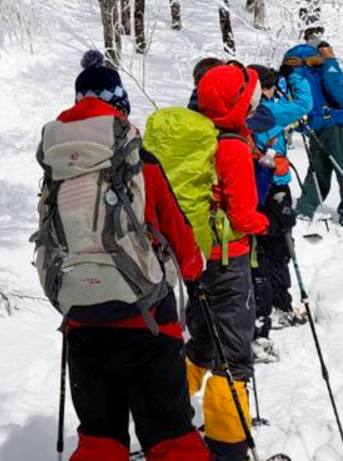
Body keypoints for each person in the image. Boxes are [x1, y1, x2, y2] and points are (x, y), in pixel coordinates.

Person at [53, 52, 212, 461]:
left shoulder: (57, 167)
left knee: (100, 440)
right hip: (148, 322)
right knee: (171, 438)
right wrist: (194, 270)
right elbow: (179, 234)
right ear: (120, 107)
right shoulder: (140, 161)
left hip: (82, 319)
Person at [184, 62, 295, 461]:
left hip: (193, 257)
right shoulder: (230, 145)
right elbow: (244, 216)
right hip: (227, 261)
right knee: (234, 353)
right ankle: (229, 447)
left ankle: (174, 418)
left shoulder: (197, 136)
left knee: (198, 341)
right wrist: (272, 222)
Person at [247, 65, 312, 346]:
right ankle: (280, 305)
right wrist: (295, 74)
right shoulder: (269, 112)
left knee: (257, 248)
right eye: (271, 85)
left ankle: (263, 304)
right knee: (278, 245)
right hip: (273, 185)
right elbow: (304, 105)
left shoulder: (242, 113)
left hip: (248, 187)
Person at [285, 40, 343, 234]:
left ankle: (304, 211)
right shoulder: (322, 67)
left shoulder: (294, 72)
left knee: (318, 172)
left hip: (313, 125)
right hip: (333, 122)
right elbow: (334, 86)